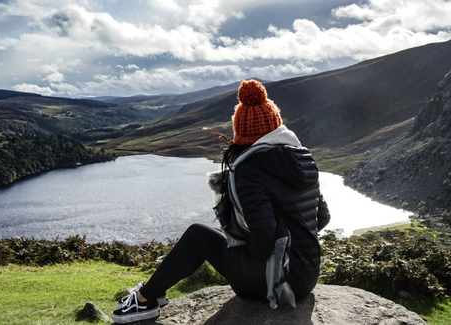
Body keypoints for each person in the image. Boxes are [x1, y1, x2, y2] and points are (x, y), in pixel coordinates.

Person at [111, 79, 331, 324]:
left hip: (274, 282)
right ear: (276, 124)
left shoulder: (249, 168)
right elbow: (322, 217)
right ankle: (155, 292)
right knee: (211, 237)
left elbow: (266, 233)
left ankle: (144, 300)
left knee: (198, 235)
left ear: (242, 132)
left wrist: (250, 251)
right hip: (307, 276)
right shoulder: (303, 158)